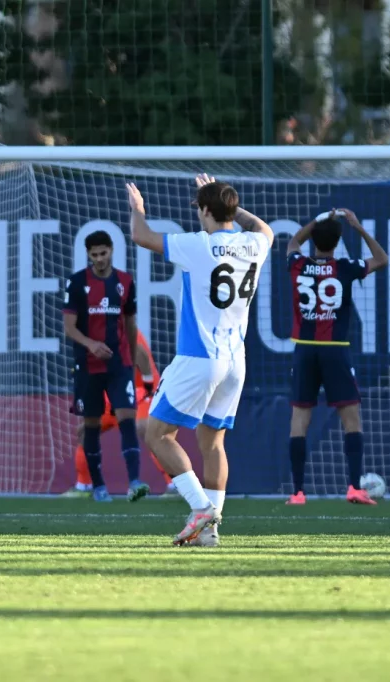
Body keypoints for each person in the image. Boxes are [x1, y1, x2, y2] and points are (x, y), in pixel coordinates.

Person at [127, 174, 273, 546]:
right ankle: (210, 532)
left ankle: (200, 507)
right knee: (213, 444)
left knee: (157, 434)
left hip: (199, 357)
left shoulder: (200, 245)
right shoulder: (254, 244)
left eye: (201, 209)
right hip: (235, 362)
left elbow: (141, 236)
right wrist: (229, 204)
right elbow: (263, 227)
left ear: (206, 210)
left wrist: (138, 209)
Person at [284, 208, 388, 506]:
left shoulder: (298, 264)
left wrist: (316, 221)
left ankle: (298, 492)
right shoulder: (345, 267)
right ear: (339, 239)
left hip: (304, 349)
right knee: (351, 417)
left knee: (299, 419)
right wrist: (357, 227)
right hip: (335, 350)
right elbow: (382, 259)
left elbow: (292, 242)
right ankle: (354, 487)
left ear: (313, 239)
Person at [62, 231, 149, 502]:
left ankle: (135, 482)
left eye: (103, 253)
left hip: (119, 364)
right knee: (91, 424)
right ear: (88, 255)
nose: (99, 259)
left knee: (127, 418)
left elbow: (131, 324)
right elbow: (69, 328)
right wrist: (91, 344)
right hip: (88, 364)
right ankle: (98, 486)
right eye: (94, 255)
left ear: (111, 251)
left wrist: (132, 358)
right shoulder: (77, 283)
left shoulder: (124, 282)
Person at [62, 329, 177, 498]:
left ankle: (176, 485)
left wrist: (148, 384)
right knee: (85, 431)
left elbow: (140, 352)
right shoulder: (90, 333)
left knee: (147, 429)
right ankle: (83, 486)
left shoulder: (116, 324)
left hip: (141, 391)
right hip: (114, 394)